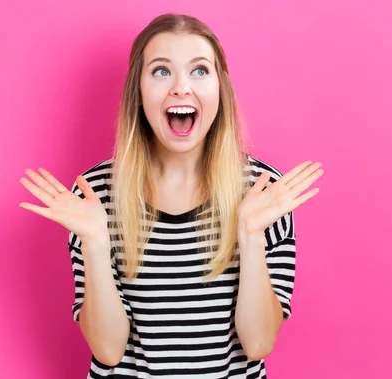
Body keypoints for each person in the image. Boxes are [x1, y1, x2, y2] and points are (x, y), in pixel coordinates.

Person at [18, 13, 323, 378]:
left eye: (199, 71)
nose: (181, 87)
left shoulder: (263, 191)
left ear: (220, 88)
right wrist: (95, 243)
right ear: (139, 90)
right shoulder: (93, 195)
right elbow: (108, 350)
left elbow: (257, 343)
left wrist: (251, 237)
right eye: (161, 71)